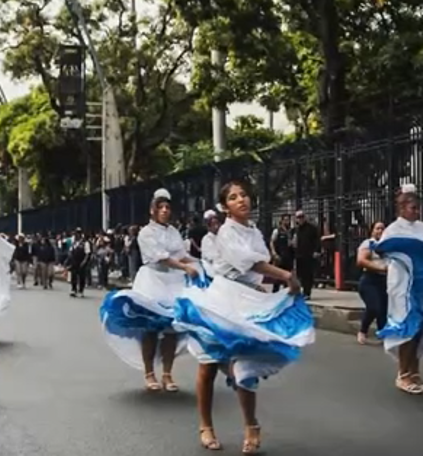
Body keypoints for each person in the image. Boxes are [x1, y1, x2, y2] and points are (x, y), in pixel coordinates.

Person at [173, 179, 311, 454]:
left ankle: (251, 425)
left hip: (247, 299)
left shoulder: (254, 231)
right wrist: (286, 276)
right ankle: (206, 426)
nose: (241, 200)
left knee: (244, 366)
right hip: (221, 300)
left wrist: (267, 286)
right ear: (225, 207)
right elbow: (248, 262)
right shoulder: (225, 233)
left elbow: (258, 265)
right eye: (234, 198)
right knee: (208, 364)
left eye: (244, 195)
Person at [100, 188, 200, 393]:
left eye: (167, 207)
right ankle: (149, 373)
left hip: (173, 282)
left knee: (173, 328)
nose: (164, 211)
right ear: (152, 210)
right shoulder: (146, 232)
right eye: (160, 207)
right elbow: (161, 257)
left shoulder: (173, 232)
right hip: (152, 281)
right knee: (151, 329)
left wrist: (204, 264)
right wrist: (184, 267)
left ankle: (167, 374)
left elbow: (183, 255)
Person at [370, 185, 423, 395]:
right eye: (413, 208)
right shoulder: (393, 230)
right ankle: (403, 373)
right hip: (402, 286)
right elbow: (383, 251)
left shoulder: (421, 227)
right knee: (407, 328)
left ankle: (415, 370)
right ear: (401, 208)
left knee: (419, 329)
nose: (417, 212)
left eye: (418, 208)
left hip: (421, 285)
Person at [355, 221, 387, 346]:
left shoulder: (388, 245)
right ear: (372, 231)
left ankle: (383, 334)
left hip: (384, 281)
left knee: (384, 310)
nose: (380, 231)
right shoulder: (369, 244)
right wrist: (380, 268)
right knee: (374, 307)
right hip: (369, 280)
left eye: (383, 228)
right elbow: (361, 260)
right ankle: (363, 331)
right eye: (377, 228)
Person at [291, 210, 320, 299]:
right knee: (300, 274)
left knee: (308, 274)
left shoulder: (312, 228)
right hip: (299, 255)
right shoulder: (295, 230)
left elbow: (317, 241)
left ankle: (307, 292)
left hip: (309, 254)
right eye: (298, 217)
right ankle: (301, 291)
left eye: (302, 217)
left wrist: (316, 251)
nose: (300, 219)